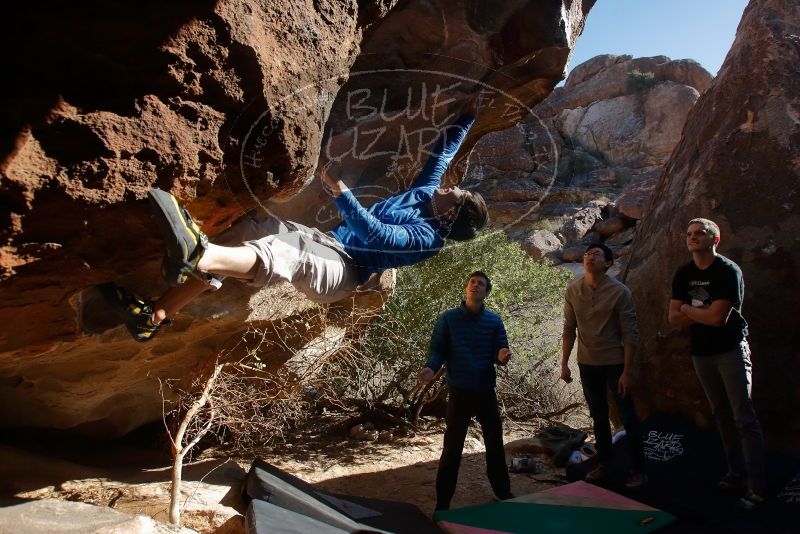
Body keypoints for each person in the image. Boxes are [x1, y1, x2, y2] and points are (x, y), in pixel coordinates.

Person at [103, 105, 488, 342]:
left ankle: (197, 254)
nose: (449, 187)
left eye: (454, 195)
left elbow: (377, 234)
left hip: (343, 271)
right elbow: (441, 156)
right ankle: (154, 317)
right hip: (330, 243)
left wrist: (340, 191)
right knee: (254, 228)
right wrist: (470, 115)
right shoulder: (426, 197)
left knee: (288, 251)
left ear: (450, 215)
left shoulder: (426, 240)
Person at [668, 218, 766, 510]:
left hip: (730, 350)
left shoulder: (727, 271)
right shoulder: (684, 273)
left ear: (715, 239)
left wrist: (687, 308)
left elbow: (717, 318)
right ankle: (736, 475)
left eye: (700, 233)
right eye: (689, 234)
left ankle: (757, 487)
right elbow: (672, 318)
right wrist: (694, 310)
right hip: (701, 352)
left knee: (743, 416)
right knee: (721, 414)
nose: (693, 237)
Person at [417, 271, 513, 512]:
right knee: (452, 447)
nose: (475, 286)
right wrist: (430, 368)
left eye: (481, 284)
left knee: (494, 442)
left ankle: (502, 491)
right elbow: (437, 350)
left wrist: (502, 356)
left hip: (485, 390)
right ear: (466, 288)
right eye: (472, 282)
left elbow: (501, 349)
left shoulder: (494, 321)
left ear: (486, 292)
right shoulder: (448, 319)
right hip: (459, 391)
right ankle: (443, 503)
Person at [561, 243, 646, 488]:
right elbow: (569, 329)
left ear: (608, 263)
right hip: (587, 362)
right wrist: (564, 364)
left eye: (597, 254)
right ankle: (605, 464)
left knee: (627, 416)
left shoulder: (620, 292)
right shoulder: (573, 290)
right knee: (598, 416)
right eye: (587, 254)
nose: (590, 257)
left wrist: (628, 371)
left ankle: (638, 469)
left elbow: (631, 333)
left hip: (615, 363)